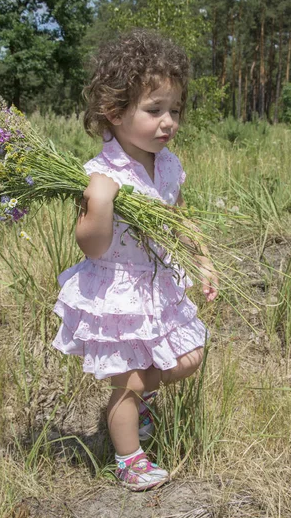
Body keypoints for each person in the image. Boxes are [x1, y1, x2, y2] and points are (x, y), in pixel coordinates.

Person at [52, 29, 218, 491]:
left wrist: (202, 260)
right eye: (154, 110)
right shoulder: (100, 174)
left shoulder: (166, 164)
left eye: (175, 110)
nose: (169, 122)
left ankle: (135, 401)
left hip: (157, 284)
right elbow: (92, 246)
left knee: (189, 357)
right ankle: (129, 457)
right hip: (117, 292)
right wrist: (101, 200)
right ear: (115, 113)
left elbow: (180, 216)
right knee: (125, 381)